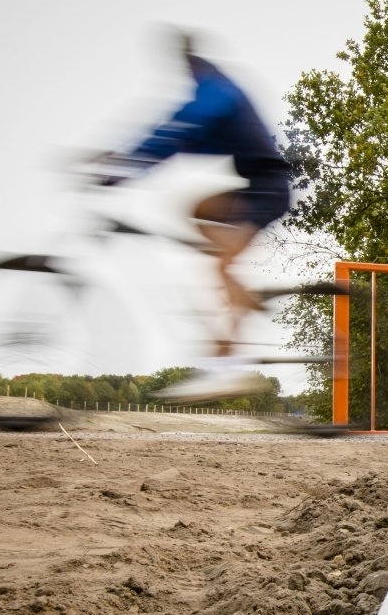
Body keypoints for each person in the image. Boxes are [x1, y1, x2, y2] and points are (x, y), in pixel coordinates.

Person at [93, 30, 293, 403]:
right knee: (195, 209)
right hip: (256, 184)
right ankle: (231, 272)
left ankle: (229, 368)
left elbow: (179, 129)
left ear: (193, 63)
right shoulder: (215, 88)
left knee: (222, 268)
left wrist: (124, 167)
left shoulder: (217, 90)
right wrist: (122, 158)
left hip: (269, 188)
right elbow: (176, 136)